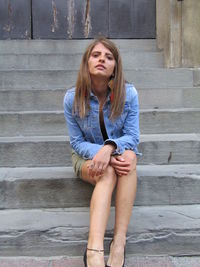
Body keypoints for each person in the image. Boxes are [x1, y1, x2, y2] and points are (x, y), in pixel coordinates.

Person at [64, 37, 140, 267]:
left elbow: (132, 137)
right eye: (96, 55)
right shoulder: (72, 98)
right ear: (87, 62)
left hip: (118, 153)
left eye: (109, 57)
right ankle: (94, 248)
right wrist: (101, 153)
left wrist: (110, 148)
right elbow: (76, 142)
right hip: (85, 158)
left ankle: (118, 243)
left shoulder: (129, 94)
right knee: (107, 172)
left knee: (129, 158)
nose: (101, 60)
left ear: (115, 66)